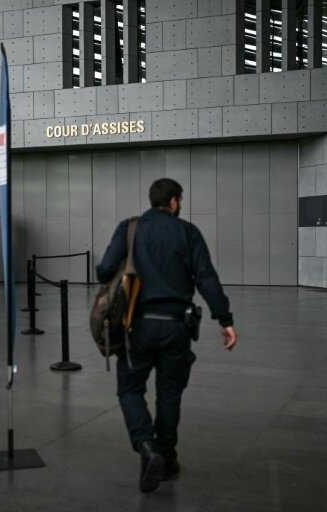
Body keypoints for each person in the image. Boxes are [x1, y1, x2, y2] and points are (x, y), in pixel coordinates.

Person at [96, 178, 237, 494]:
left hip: (137, 327)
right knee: (170, 393)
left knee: (130, 389)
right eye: (180, 200)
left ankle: (146, 446)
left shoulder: (130, 228)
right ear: (174, 201)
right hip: (177, 328)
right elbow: (207, 280)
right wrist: (224, 320)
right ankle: (168, 459)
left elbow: (104, 270)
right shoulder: (188, 233)